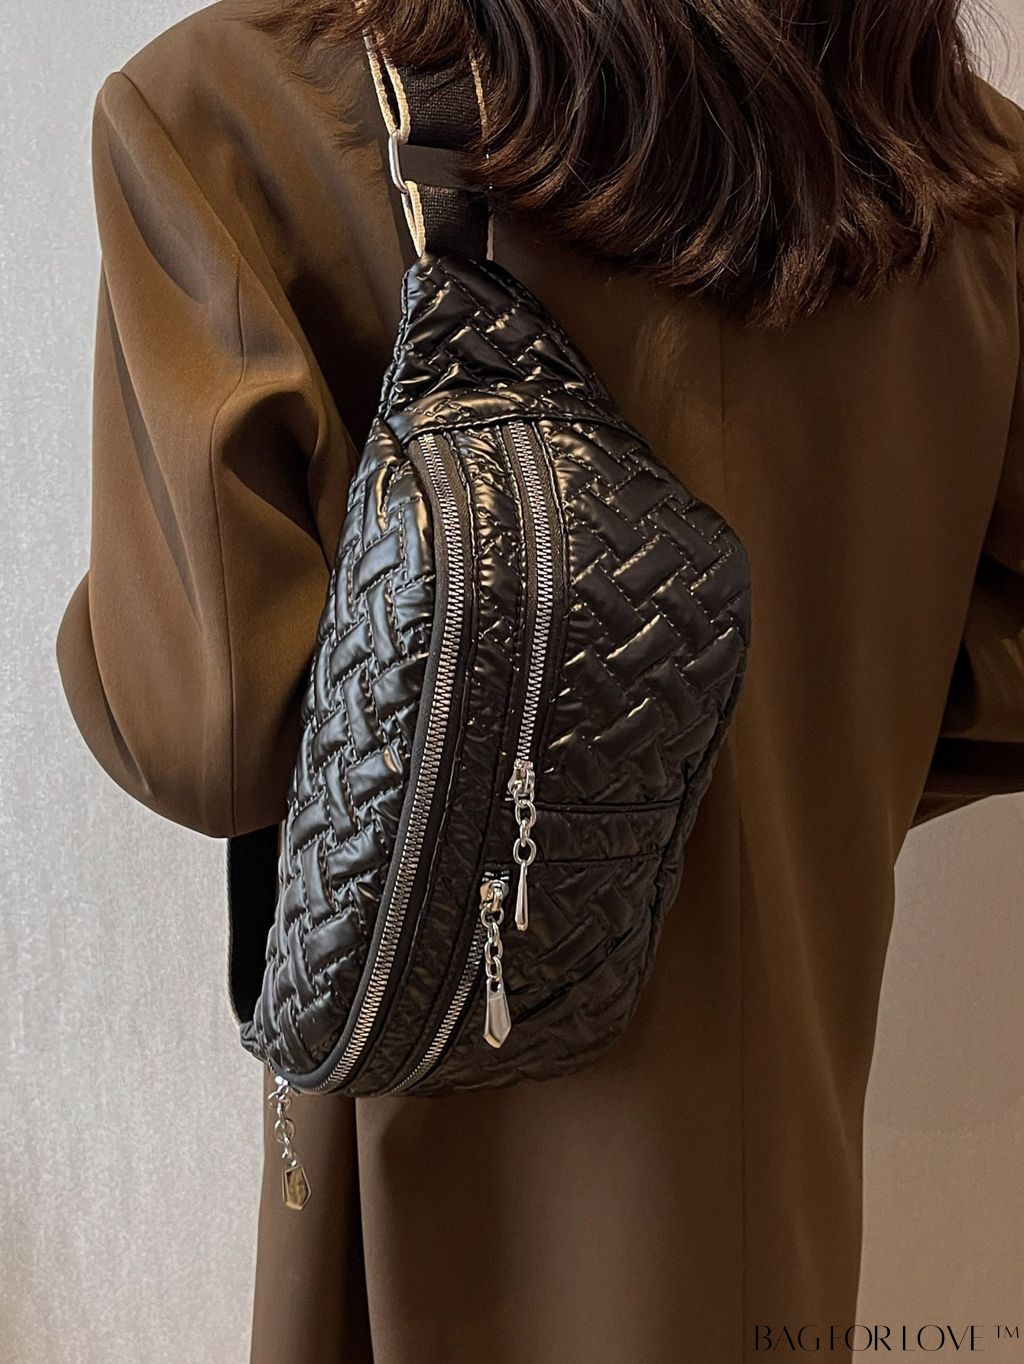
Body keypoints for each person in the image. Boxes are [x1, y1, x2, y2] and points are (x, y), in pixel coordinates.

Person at [55, 1, 1024, 1360]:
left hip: (433, 1170)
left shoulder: (241, 111)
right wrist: (779, 764)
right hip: (778, 1184)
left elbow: (208, 735)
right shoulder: (964, 177)